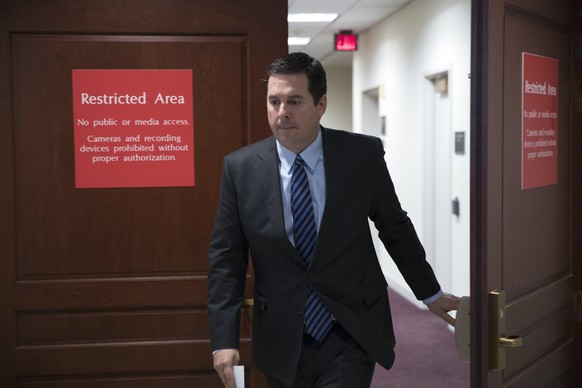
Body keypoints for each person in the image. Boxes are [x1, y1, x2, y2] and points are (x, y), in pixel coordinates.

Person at [207, 52, 460, 388]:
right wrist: (224, 340)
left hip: (349, 328)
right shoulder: (240, 169)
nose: (282, 112)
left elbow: (394, 226)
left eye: (294, 101)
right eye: (274, 101)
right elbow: (227, 260)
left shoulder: (361, 155)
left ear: (320, 104)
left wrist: (429, 292)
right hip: (281, 333)